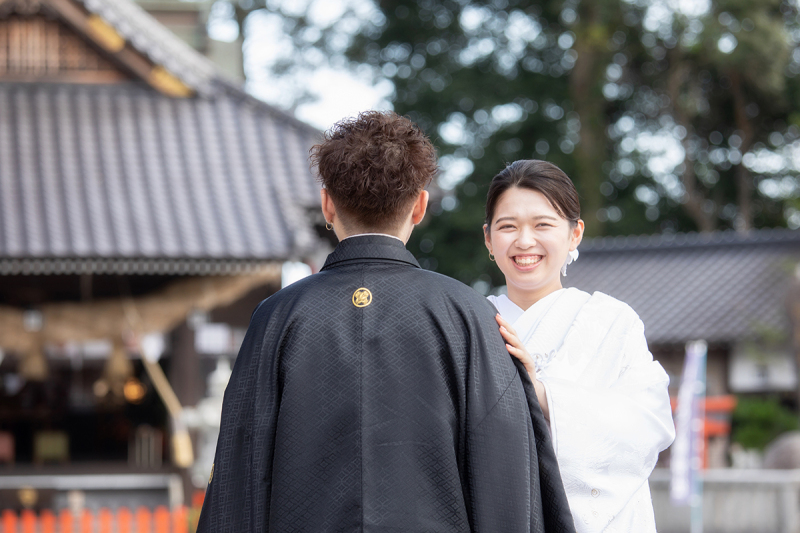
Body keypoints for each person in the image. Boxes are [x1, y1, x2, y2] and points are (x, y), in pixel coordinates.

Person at [197, 113, 575, 532]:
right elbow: (504, 471)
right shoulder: (470, 315)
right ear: (420, 206)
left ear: (327, 204)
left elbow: (240, 467)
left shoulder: (277, 317)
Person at [483, 159, 675, 533]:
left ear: (575, 233)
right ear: (489, 238)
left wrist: (541, 395)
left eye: (543, 225)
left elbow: (647, 425)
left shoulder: (610, 323)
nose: (524, 241)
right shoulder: (469, 322)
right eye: (508, 227)